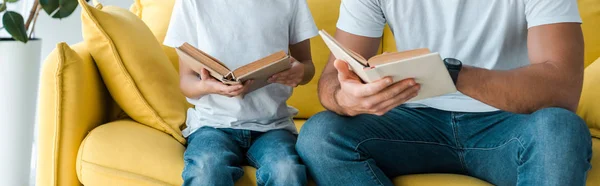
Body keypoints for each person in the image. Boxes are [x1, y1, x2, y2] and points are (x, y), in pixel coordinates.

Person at [296, 0, 592, 185]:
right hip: (412, 124)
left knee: (561, 129)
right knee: (321, 135)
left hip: (506, 124)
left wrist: (449, 74)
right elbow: (333, 80)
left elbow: (561, 88)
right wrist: (345, 99)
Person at [163, 0, 318, 185]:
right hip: (213, 125)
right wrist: (208, 86)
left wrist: (300, 72)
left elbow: (307, 67)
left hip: (273, 127)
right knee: (207, 169)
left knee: (287, 171)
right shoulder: (192, 3)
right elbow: (186, 81)